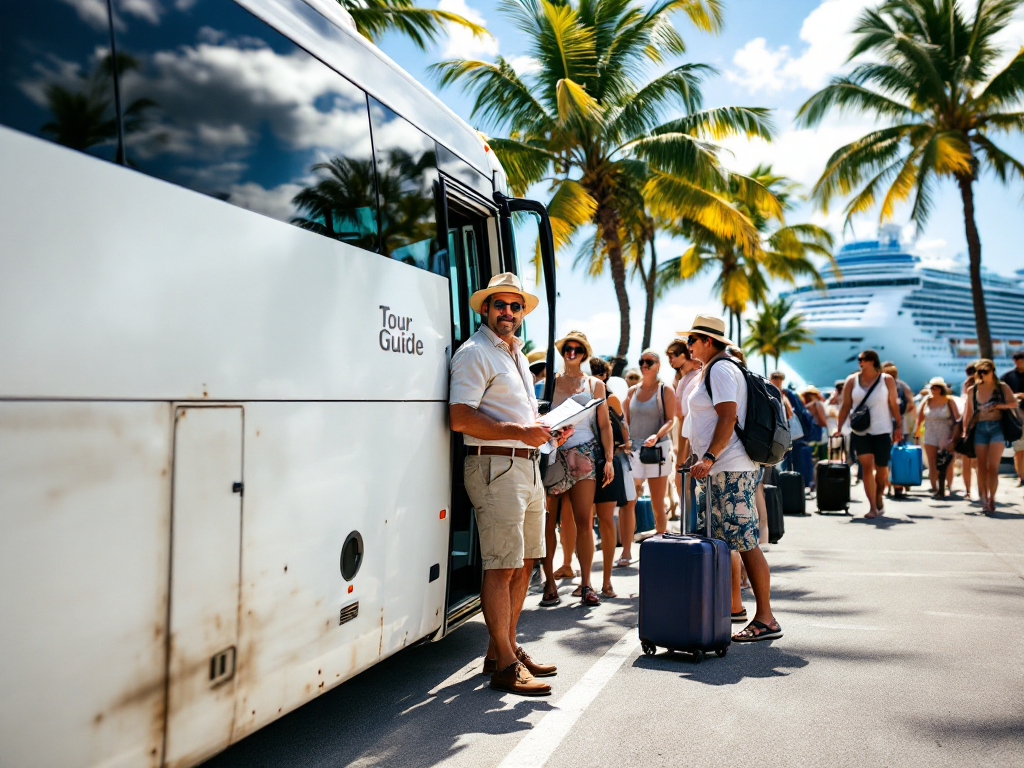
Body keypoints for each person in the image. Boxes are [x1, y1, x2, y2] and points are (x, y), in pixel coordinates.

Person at [448, 272, 571, 696]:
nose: (508, 312)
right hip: (495, 466)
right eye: (500, 305)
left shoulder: (515, 353)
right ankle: (503, 664)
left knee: (526, 562)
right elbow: (460, 417)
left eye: (515, 306)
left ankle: (505, 649)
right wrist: (522, 433)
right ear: (485, 309)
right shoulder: (474, 352)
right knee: (501, 566)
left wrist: (544, 430)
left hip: (525, 465)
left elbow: (515, 417)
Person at [684, 315, 781, 642]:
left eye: (692, 340)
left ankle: (766, 619)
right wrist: (697, 455)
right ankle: (728, 610)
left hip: (729, 467)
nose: (689, 346)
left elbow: (728, 416)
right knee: (726, 540)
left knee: (745, 539)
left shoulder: (722, 369)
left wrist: (709, 456)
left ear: (708, 340)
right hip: (717, 469)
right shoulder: (709, 370)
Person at [541, 331, 615, 607]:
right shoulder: (548, 383)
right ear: (563, 352)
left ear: (584, 353)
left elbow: (605, 424)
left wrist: (608, 459)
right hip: (553, 453)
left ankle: (586, 584)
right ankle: (549, 583)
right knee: (549, 522)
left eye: (578, 349)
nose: (572, 352)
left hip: (584, 454)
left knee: (585, 522)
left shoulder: (595, 384)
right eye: (567, 348)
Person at [834, 349, 903, 519]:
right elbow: (845, 405)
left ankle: (879, 495)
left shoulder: (886, 380)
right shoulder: (852, 381)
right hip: (860, 430)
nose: (859, 362)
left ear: (872, 361)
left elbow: (894, 405)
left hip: (882, 429)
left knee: (882, 469)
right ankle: (872, 505)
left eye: (862, 359)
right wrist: (839, 427)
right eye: (858, 360)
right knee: (866, 466)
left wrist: (898, 427)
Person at [588, 356, 633, 596]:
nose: (595, 375)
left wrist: (623, 446)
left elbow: (623, 428)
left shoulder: (611, 398)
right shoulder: (580, 393)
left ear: (605, 375)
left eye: (598, 372)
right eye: (591, 371)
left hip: (608, 461)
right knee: (584, 523)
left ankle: (607, 581)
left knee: (606, 520)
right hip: (584, 462)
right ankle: (585, 583)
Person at [623, 350, 677, 536]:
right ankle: (626, 550)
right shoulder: (632, 391)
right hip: (635, 450)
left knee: (657, 501)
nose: (645, 365)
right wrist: (625, 442)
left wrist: (656, 435)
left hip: (657, 450)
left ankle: (661, 542)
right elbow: (626, 422)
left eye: (650, 362)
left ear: (658, 365)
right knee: (629, 501)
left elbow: (671, 419)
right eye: (642, 361)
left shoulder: (665, 390)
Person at [963, 359, 1018, 515]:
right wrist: (965, 432)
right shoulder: (972, 390)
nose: (981, 375)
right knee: (981, 466)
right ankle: (983, 498)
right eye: (979, 372)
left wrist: (999, 406)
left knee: (992, 467)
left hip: (996, 428)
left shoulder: (1001, 387)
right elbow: (968, 413)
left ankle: (991, 498)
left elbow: (1013, 403)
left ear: (992, 371)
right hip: (979, 428)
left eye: (984, 371)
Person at [914, 377, 960, 498]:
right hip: (930, 432)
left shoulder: (949, 401)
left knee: (947, 462)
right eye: (932, 388)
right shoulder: (927, 400)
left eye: (936, 388)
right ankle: (935, 488)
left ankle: (949, 486)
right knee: (932, 462)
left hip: (946, 432)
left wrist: (956, 435)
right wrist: (917, 435)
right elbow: (919, 419)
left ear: (941, 389)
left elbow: (957, 418)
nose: (933, 390)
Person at [881, 361, 917, 497]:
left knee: (884, 456)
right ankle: (900, 483)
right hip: (902, 425)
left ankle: (887, 484)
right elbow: (911, 404)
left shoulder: (881, 385)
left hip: (884, 424)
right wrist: (901, 416)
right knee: (900, 455)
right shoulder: (903, 386)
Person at [1000, 350, 1024, 487]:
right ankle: (1021, 477)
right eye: (1017, 359)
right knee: (1019, 450)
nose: (1019, 362)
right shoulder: (1007, 377)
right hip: (1015, 418)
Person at [960, 362, 978, 498]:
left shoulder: (967, 385)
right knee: (978, 462)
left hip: (967, 425)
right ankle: (981, 490)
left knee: (966, 461)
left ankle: (968, 491)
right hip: (978, 424)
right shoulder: (976, 386)